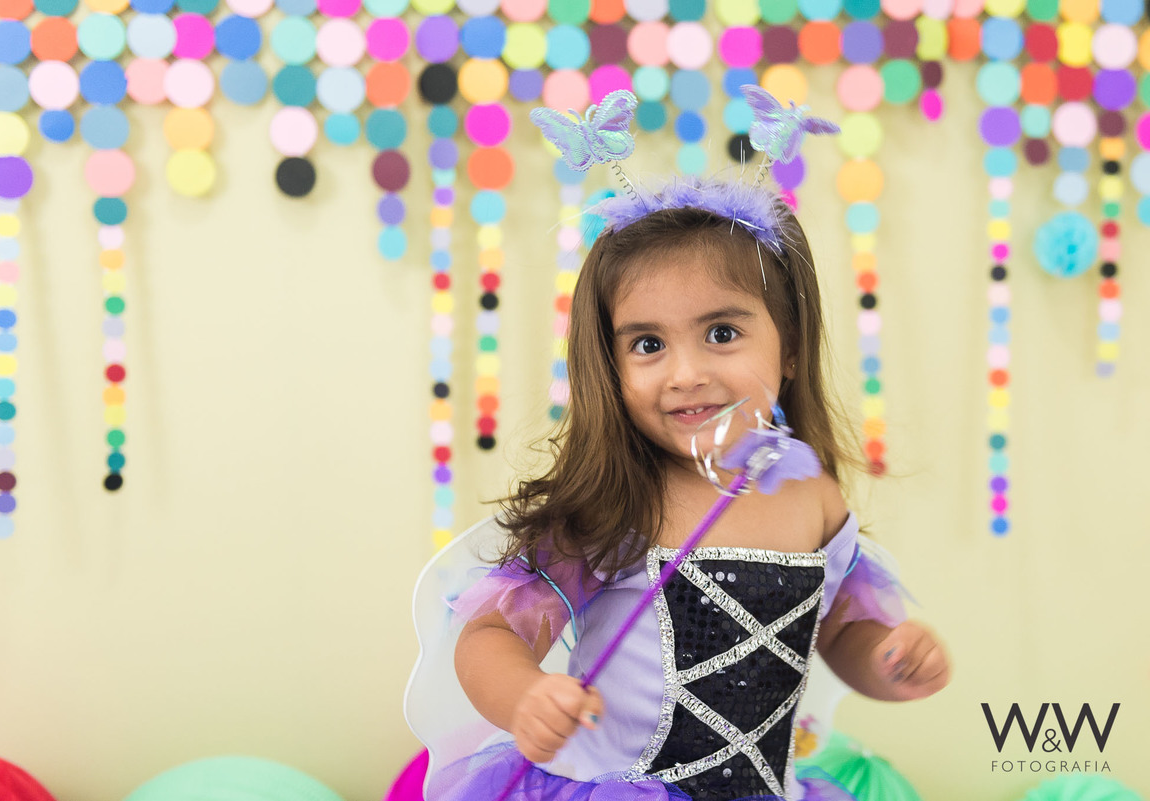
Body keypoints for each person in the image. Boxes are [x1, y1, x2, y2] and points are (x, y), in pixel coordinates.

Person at [406, 178, 951, 801]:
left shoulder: (813, 496)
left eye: (721, 333)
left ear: (791, 347)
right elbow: (492, 637)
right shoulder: (617, 500)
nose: (685, 374)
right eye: (648, 344)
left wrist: (889, 659)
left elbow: (844, 634)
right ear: (610, 368)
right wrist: (525, 696)